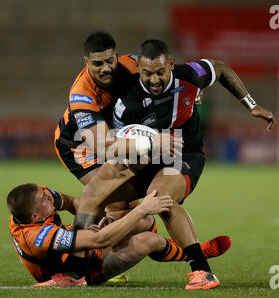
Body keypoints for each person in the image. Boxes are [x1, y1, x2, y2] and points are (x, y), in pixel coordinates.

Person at [110, 39, 277, 289]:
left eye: (160, 72)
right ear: (138, 69)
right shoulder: (127, 102)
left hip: (184, 155)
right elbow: (118, 142)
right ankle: (114, 263)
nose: (154, 79)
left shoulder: (189, 75)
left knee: (161, 199)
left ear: (172, 65)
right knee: (112, 195)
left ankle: (202, 271)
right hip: (146, 159)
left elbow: (220, 68)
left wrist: (251, 105)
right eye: (147, 74)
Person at [53, 31, 182, 229]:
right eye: (97, 64)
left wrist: (191, 89)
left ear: (116, 55)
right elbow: (103, 147)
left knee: (129, 201)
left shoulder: (132, 64)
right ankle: (78, 243)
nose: (106, 68)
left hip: (114, 136)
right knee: (105, 194)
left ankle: (150, 243)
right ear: (86, 61)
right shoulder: (82, 95)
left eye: (109, 60)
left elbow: (167, 72)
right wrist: (150, 143)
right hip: (79, 144)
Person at [7, 178, 231, 288]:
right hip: (75, 269)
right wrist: (141, 207)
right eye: (44, 200)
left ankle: (193, 252)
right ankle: (196, 253)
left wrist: (107, 217)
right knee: (148, 239)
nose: (49, 197)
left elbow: (76, 203)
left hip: (76, 246)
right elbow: (98, 239)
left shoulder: (37, 199)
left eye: (45, 194)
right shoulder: (35, 236)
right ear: (34, 217)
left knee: (143, 219)